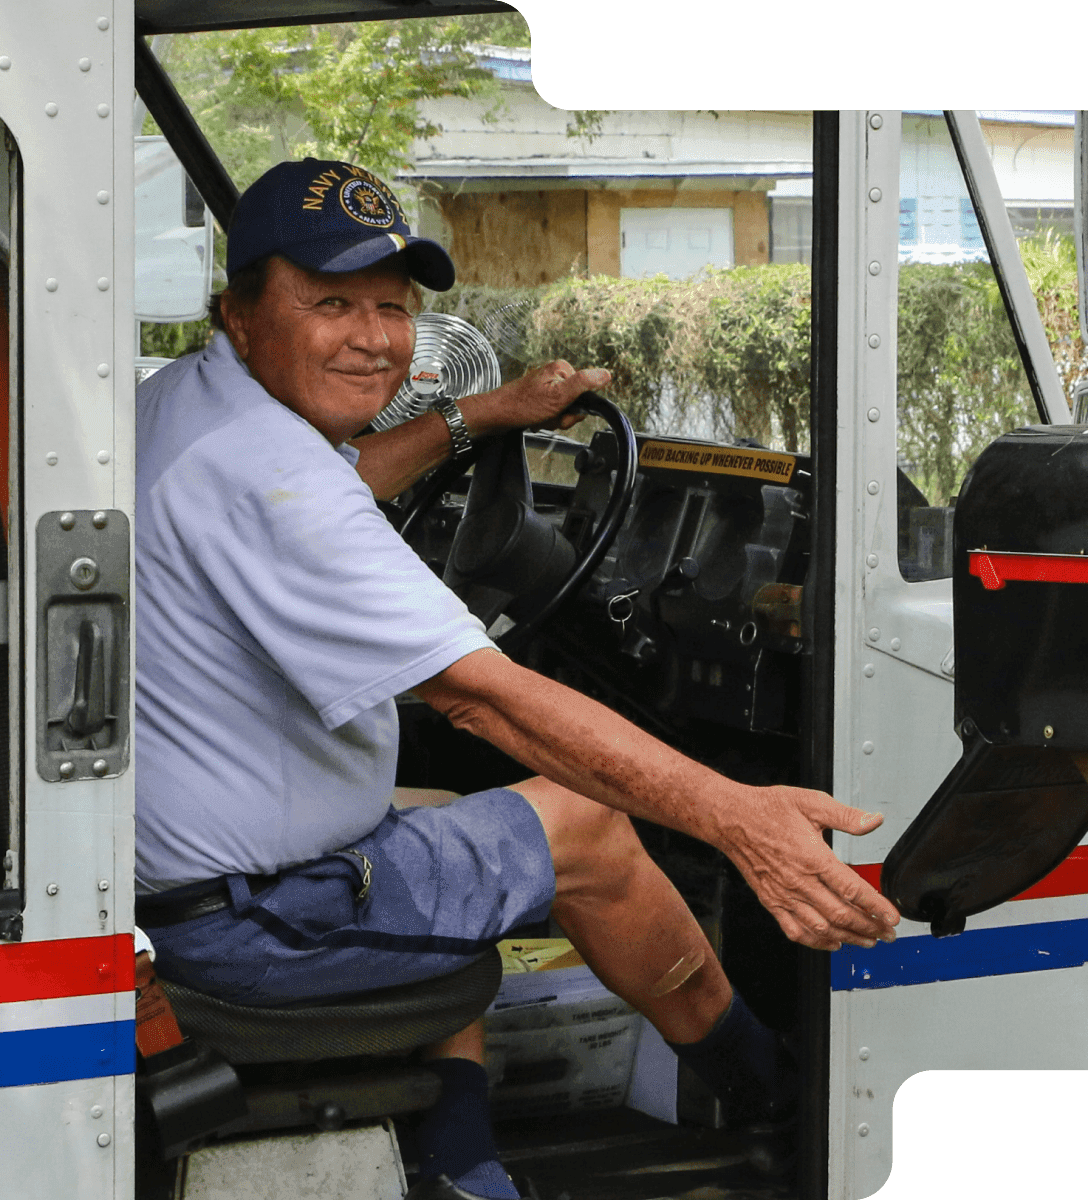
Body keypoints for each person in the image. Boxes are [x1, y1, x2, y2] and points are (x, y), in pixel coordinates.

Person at [131, 159, 899, 1200]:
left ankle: (459, 1160)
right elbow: (479, 694)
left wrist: (483, 415)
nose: (372, 337)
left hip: (178, 877)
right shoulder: (273, 483)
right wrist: (734, 816)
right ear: (240, 312)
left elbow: (348, 479)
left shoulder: (191, 404)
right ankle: (775, 1105)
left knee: (453, 818)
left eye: (392, 308)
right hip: (254, 924)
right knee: (583, 826)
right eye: (329, 304)